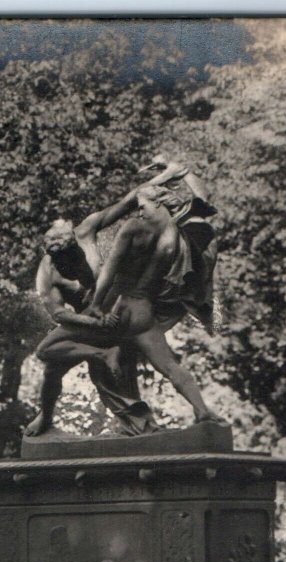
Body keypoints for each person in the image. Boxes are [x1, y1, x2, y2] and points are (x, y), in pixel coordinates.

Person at [39, 180, 222, 425]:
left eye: (143, 205)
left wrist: (95, 306)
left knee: (46, 350)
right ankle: (202, 410)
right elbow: (58, 313)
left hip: (113, 311)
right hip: (141, 314)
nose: (139, 210)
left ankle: (102, 355)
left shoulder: (128, 228)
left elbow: (110, 270)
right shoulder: (174, 237)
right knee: (168, 365)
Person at [25, 190, 159, 437]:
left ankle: (141, 425)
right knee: (52, 364)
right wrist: (93, 321)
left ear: (75, 241)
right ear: (54, 257)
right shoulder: (49, 274)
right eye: (66, 261)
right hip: (87, 320)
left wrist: (154, 189)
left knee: (119, 368)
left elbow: (127, 202)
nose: (74, 263)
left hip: (117, 306)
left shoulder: (86, 232)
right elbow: (59, 315)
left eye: (74, 253)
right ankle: (46, 414)